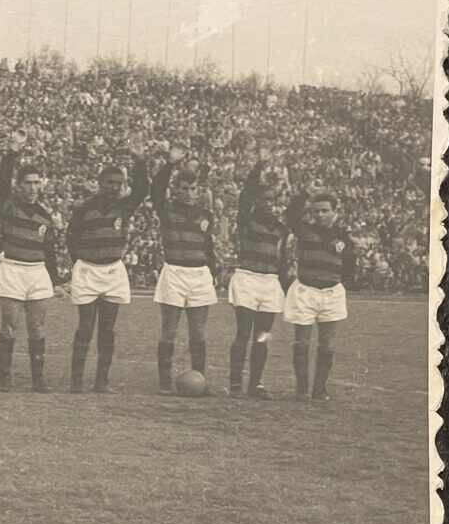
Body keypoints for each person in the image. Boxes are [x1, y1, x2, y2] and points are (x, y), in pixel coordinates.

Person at [65, 134, 149, 393]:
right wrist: (83, 261)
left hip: (113, 270)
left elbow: (143, 190)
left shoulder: (125, 207)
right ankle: (77, 380)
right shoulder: (84, 208)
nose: (114, 187)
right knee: (85, 327)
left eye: (119, 183)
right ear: (100, 183)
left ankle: (101, 381)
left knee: (107, 329)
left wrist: (139, 161)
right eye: (110, 182)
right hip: (89, 269)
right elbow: (71, 237)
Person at [0, 131, 66, 393]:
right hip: (13, 269)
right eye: (28, 183)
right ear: (19, 185)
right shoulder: (9, 206)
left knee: (37, 328)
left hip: (37, 273)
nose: (33, 187)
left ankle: (38, 379)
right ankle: (6, 378)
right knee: (9, 326)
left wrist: (56, 281)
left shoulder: (45, 216)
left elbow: (50, 252)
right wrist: (12, 152)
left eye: (36, 183)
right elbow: (1, 182)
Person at [150, 143, 219, 394]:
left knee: (198, 332)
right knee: (169, 329)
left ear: (198, 191)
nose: (188, 193)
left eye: (192, 189)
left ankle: (201, 380)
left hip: (199, 274)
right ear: (176, 191)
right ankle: (165, 383)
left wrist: (212, 272)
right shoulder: (167, 210)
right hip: (175, 273)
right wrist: (170, 164)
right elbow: (156, 191)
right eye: (184, 189)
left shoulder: (206, 215)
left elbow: (208, 247)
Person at [283, 182, 355, 402]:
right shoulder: (304, 229)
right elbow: (290, 214)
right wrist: (306, 193)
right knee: (302, 342)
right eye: (316, 211)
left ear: (335, 212)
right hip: (305, 290)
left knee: (328, 344)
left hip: (331, 293)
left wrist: (335, 281)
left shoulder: (344, 237)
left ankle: (319, 389)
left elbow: (350, 266)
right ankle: (302, 388)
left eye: (325, 211)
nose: (320, 215)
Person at [225, 146, 288, 399]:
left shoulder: (280, 229)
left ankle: (256, 384)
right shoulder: (247, 222)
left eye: (273, 201)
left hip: (269, 282)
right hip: (247, 278)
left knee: (263, 335)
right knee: (243, 332)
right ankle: (236, 384)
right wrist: (259, 167)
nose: (270, 205)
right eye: (265, 200)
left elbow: (281, 261)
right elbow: (245, 197)